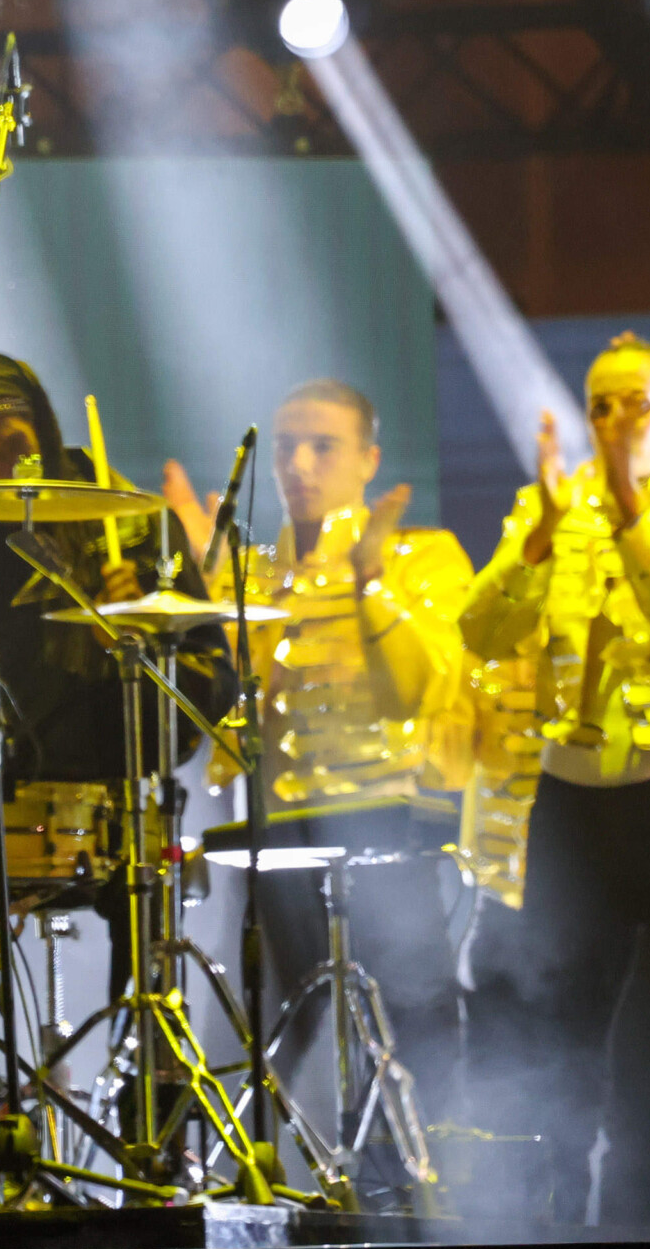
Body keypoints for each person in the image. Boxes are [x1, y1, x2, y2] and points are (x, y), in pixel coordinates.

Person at [458, 332, 650, 1227]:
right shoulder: (548, 506)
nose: (615, 418)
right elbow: (481, 634)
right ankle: (554, 1241)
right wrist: (536, 544)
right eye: (600, 402)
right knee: (557, 1034)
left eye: (637, 401)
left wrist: (631, 509)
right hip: (573, 805)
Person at [166, 379, 474, 1115]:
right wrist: (202, 593)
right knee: (267, 1035)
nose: (299, 464)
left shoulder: (419, 557)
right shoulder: (251, 572)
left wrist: (369, 586)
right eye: (286, 448)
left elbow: (417, 694)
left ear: (369, 460)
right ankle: (271, 1167)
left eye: (323, 447)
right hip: (275, 832)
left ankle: (432, 1176)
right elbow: (217, 720)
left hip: (383, 825)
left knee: (415, 1032)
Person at [0, 354, 231, 998]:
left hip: (105, 797)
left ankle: (145, 1042)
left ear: (39, 434)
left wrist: (139, 641)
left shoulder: (128, 523)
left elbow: (211, 680)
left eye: (15, 443)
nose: (4, 464)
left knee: (144, 903)